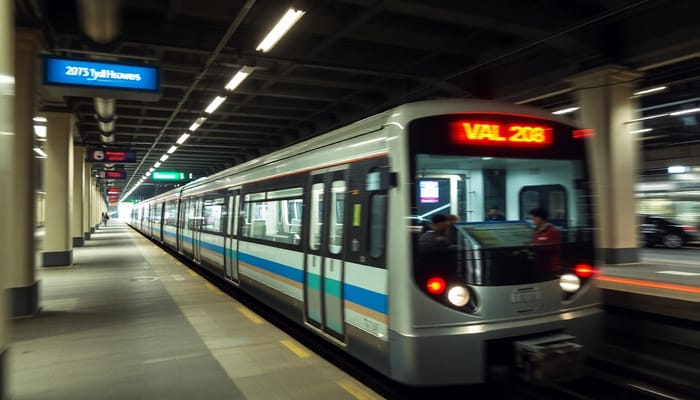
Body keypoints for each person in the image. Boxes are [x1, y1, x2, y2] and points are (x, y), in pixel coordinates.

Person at [529, 207, 561, 271]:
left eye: (533, 219)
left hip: (550, 267)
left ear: (539, 218)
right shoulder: (537, 231)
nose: (533, 221)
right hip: (541, 266)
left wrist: (532, 246)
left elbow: (549, 247)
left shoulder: (552, 231)